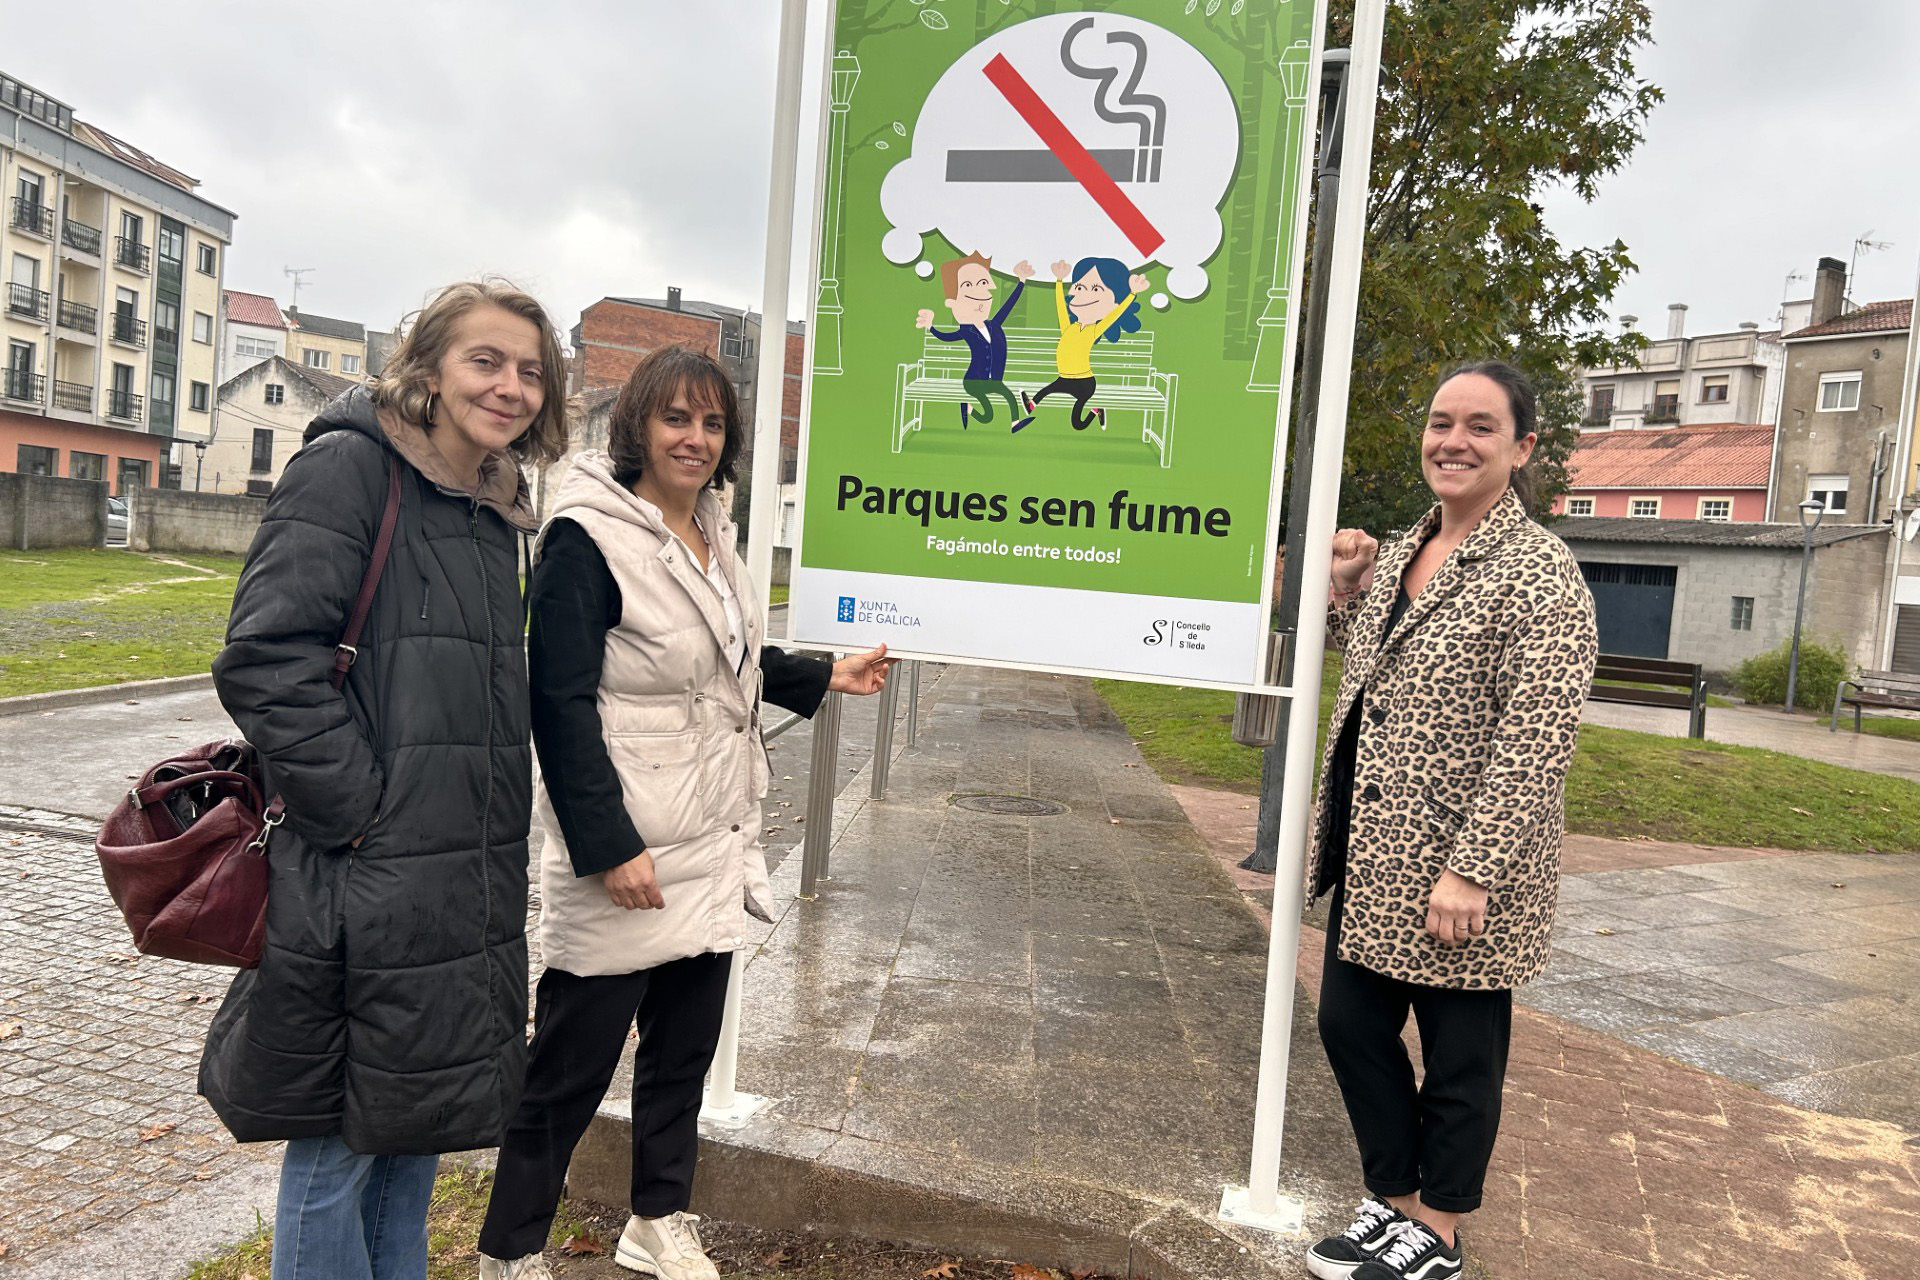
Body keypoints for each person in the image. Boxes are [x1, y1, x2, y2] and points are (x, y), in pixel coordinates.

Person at [476, 346, 895, 1280]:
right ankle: (508, 1250)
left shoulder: (712, 529)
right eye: (676, 419)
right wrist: (606, 847)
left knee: (683, 1055)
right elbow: (558, 701)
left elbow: (721, 662)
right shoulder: (587, 537)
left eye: (711, 423)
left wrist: (825, 673)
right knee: (571, 1067)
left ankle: (656, 1218)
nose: (695, 439)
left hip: (714, 831)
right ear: (636, 426)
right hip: (631, 847)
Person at [204, 280, 570, 1280]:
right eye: (485, 360)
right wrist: (364, 812)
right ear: (431, 367)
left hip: (462, 878)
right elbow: (266, 658)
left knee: (414, 1131)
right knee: (338, 1139)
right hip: (364, 871)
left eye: (531, 369)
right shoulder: (351, 469)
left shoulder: (495, 508)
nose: (510, 385)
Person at [1302, 362, 1597, 1280]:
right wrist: (1346, 590)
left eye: (1479, 426)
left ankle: (1439, 1228)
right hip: (1375, 855)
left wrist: (1472, 870)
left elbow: (1536, 742)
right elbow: (1367, 676)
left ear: (1523, 447)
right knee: (1350, 1029)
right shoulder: (1399, 550)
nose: (1453, 442)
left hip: (1461, 876)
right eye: (1440, 422)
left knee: (1460, 1061)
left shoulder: (1543, 578)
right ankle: (1391, 1202)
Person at [1021, 256, 1147, 432]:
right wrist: (1059, 281)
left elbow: (1114, 315)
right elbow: (1060, 306)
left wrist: (1132, 294)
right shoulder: (1069, 327)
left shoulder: (1095, 329)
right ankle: (1032, 405)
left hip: (1084, 382)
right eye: (1079, 288)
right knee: (1046, 391)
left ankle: (1096, 411)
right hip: (1064, 378)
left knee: (1077, 424)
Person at [915, 251, 1036, 432]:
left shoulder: (994, 325)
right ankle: (968, 407)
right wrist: (930, 327)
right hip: (973, 381)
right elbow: (946, 337)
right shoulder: (966, 331)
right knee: (987, 417)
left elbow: (1008, 306)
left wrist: (1021, 281)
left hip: (994, 380)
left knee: (1009, 397)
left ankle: (1014, 424)